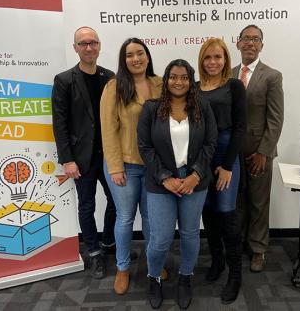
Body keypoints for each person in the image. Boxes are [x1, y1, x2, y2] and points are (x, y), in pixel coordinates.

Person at [137, 59, 217, 309]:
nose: (178, 82)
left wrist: (196, 175)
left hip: (195, 179)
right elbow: (145, 147)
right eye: (173, 76)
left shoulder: (202, 106)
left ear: (190, 80)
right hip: (161, 180)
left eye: (184, 77)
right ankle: (154, 277)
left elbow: (210, 143)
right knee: (160, 238)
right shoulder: (152, 108)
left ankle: (185, 277)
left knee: (190, 233)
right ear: (166, 79)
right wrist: (165, 178)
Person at [52, 26, 116, 279]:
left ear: (99, 46)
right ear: (75, 47)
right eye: (83, 43)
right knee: (86, 206)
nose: (89, 48)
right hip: (82, 158)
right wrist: (67, 159)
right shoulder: (64, 80)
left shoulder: (110, 77)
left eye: (93, 43)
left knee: (117, 203)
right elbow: (60, 123)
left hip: (110, 156)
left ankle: (109, 242)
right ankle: (93, 252)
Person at [100, 38, 163, 295]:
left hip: (154, 167)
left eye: (140, 53)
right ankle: (123, 267)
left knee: (151, 219)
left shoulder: (160, 83)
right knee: (125, 218)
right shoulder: (114, 87)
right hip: (124, 165)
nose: (135, 58)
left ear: (147, 56)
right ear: (123, 60)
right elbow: (108, 130)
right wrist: (115, 167)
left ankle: (153, 262)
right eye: (129, 55)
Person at [197, 38, 246, 303]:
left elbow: (240, 128)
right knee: (208, 212)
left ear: (226, 59)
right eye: (208, 57)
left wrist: (227, 166)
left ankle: (235, 275)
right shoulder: (194, 88)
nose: (213, 62)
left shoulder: (234, 86)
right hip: (202, 157)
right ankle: (217, 262)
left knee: (227, 214)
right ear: (202, 60)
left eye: (218, 57)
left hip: (227, 154)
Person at [233, 24, 284, 272]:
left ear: (262, 45)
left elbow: (276, 119)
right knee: (238, 201)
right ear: (238, 43)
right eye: (246, 38)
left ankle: (259, 249)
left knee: (259, 203)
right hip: (234, 153)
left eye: (256, 39)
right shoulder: (229, 74)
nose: (250, 43)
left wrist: (264, 152)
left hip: (259, 153)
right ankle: (242, 242)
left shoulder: (272, 76)